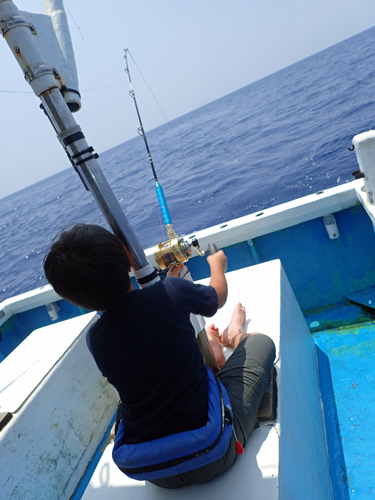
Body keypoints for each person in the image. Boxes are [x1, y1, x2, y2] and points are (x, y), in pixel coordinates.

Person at [43, 223, 275, 488]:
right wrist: (216, 265)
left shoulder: (96, 340)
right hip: (214, 455)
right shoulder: (171, 292)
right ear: (128, 262)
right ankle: (235, 337)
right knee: (262, 343)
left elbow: (137, 330)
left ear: (76, 300)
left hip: (157, 474)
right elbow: (217, 298)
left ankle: (211, 342)